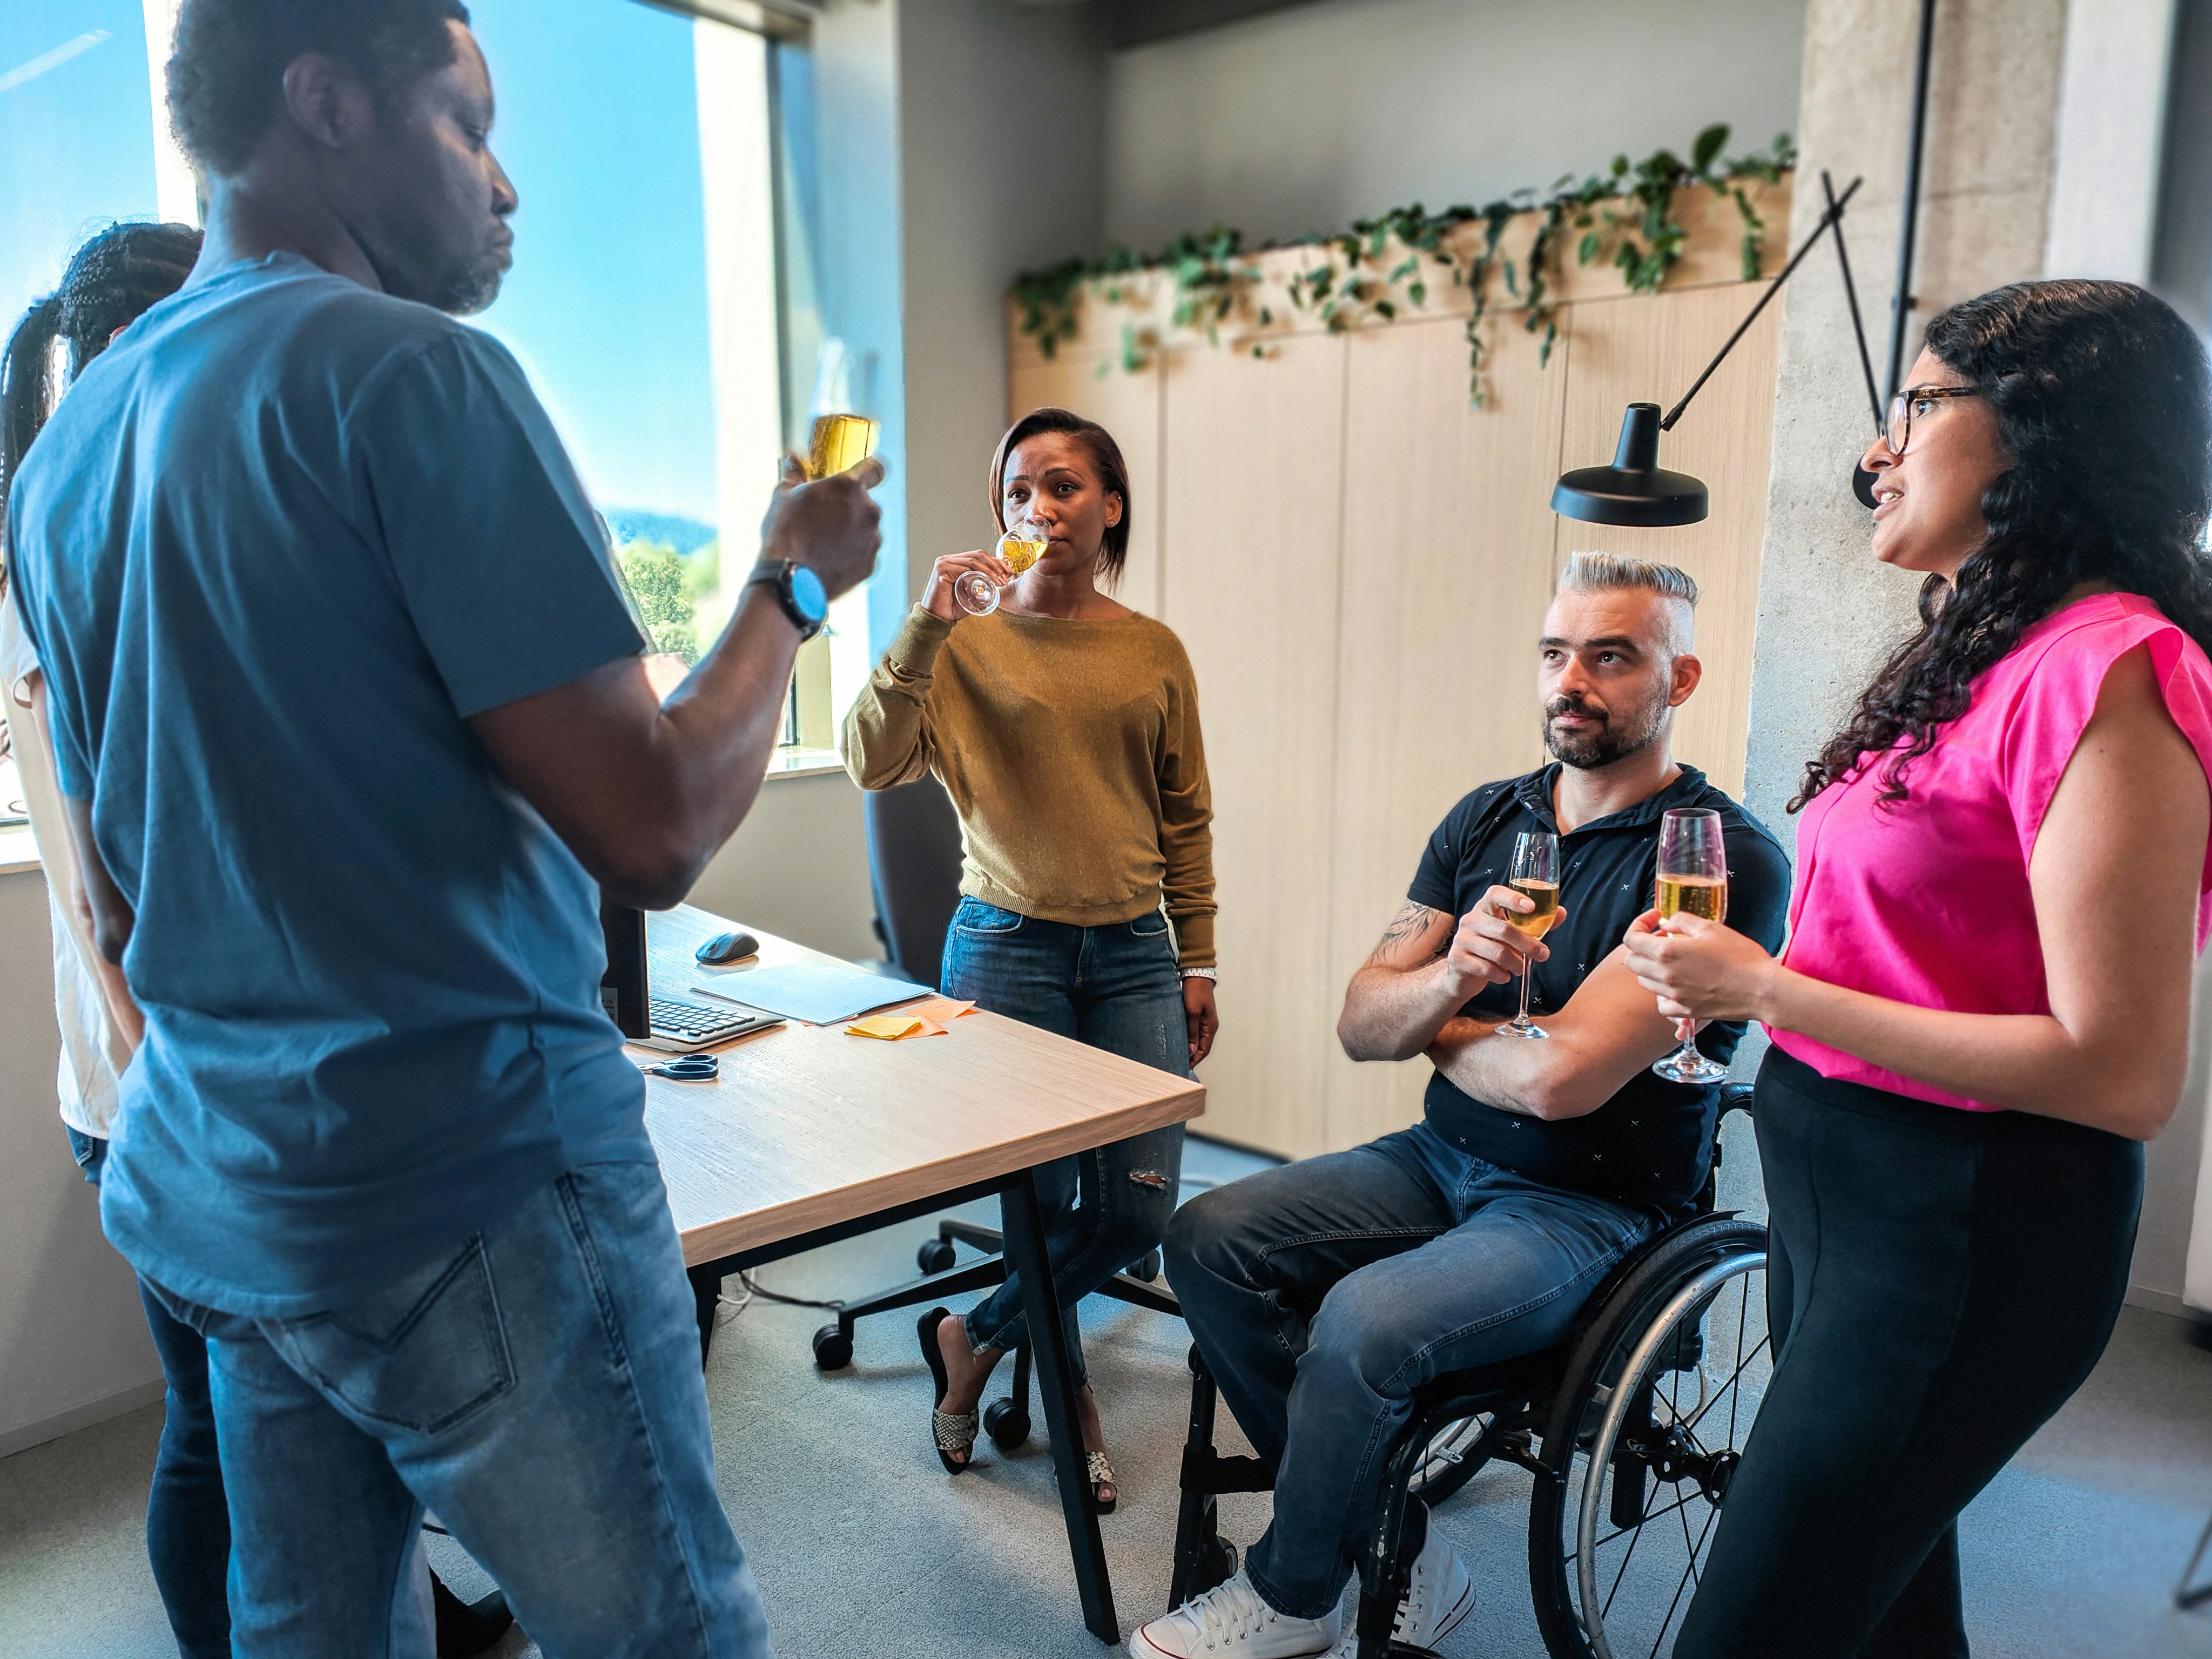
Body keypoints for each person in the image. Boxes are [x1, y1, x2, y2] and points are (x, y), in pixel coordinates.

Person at [4, 4, 881, 1655]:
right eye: (468, 126)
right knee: (667, 1634)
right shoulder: (415, 378)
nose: (508, 184)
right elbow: (655, 824)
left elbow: (115, 901)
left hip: (233, 1198)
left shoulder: (65, 462)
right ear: (325, 103)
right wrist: (791, 581)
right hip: (470, 1195)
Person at [1625, 280, 2212, 1658]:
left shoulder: (2113, 669)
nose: (1874, 453)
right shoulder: (1980, 651)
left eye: (1914, 406)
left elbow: (2117, 1073)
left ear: (2037, 431)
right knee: (1881, 1618)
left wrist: (1760, 990)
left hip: (1965, 1225)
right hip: (1840, 1194)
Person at [1132, 554, 1789, 1659]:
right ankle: (1392, 1540)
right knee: (1207, 1235)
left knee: (1364, 1320)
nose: (1569, 681)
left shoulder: (1720, 861)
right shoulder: (1486, 819)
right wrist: (1445, 982)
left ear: (1677, 681)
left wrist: (1435, 1032)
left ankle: (1295, 1598)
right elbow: (1358, 1021)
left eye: (1610, 657)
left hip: (1588, 1209)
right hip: (1436, 1160)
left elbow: (1557, 1082)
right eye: (1554, 653)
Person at [841, 406, 1218, 1511]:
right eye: (1016, 491)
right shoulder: (957, 641)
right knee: (1038, 1198)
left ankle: (974, 1335)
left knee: (1134, 1213)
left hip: (1136, 953)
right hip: (1004, 950)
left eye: (1061, 487)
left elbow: (1185, 819)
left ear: (1109, 508)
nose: (1036, 509)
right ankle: (1070, 1391)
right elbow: (871, 762)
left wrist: (1197, 958)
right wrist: (923, 621)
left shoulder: (1151, 650)